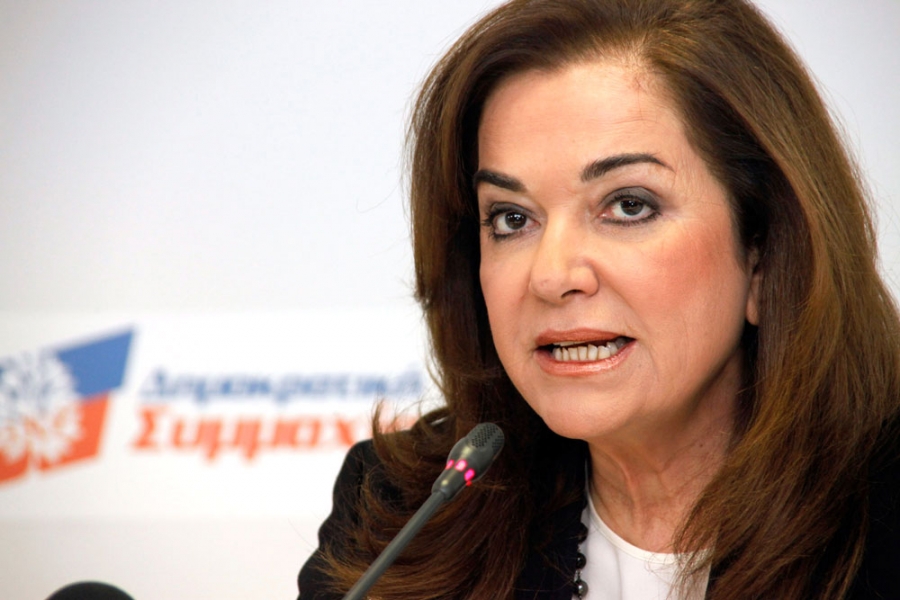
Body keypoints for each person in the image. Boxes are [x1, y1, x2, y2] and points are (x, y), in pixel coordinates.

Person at [298, 0, 900, 597]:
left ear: (764, 253)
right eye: (511, 218)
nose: (551, 275)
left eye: (628, 206)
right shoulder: (402, 515)